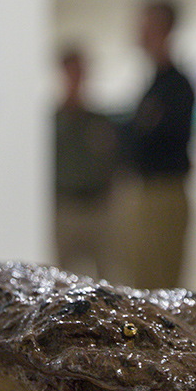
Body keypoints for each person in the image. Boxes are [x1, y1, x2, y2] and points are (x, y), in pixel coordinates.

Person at [114, 0, 196, 290]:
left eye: (146, 25)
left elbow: (153, 136)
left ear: (163, 29)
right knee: (144, 280)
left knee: (161, 285)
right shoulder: (156, 84)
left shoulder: (176, 85)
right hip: (148, 191)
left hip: (165, 191)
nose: (139, 32)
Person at [54, 46, 118, 280]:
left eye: (79, 72)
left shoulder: (99, 121)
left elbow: (111, 162)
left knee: (107, 276)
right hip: (65, 208)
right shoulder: (52, 121)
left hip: (97, 208)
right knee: (63, 279)